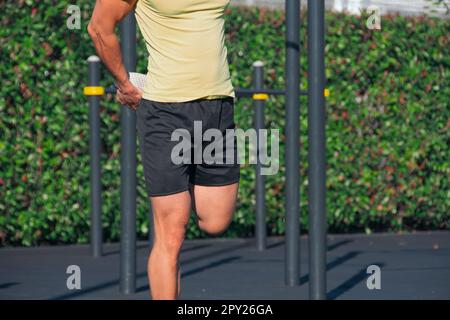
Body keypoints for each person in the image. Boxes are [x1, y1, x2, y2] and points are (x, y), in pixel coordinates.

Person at [87, 0, 240, 300]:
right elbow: (98, 27)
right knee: (172, 231)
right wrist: (124, 82)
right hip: (166, 112)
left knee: (216, 220)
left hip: (218, 108)